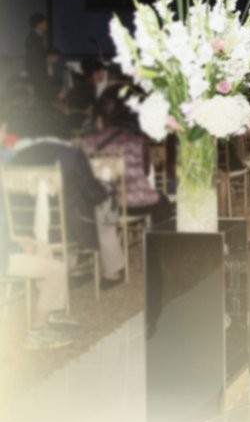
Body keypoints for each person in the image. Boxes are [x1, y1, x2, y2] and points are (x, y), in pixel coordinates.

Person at [11, 112, 127, 290]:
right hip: (70, 227)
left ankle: (71, 271)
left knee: (66, 208)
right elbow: (92, 193)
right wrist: (108, 190)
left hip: (26, 227)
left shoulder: (18, 156)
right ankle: (113, 271)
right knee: (104, 206)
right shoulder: (71, 154)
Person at [81, 86, 173, 226]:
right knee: (163, 202)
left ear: (100, 119)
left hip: (109, 204)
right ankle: (156, 235)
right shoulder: (136, 141)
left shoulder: (86, 143)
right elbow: (145, 171)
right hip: (142, 204)